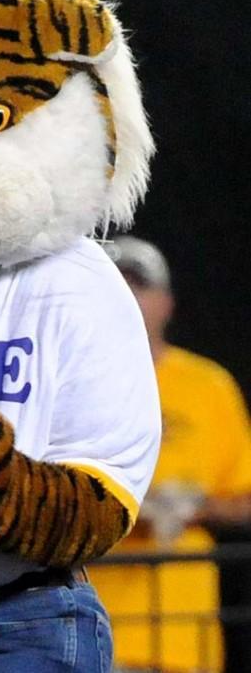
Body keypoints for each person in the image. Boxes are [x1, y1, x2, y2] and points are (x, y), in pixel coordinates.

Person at [88, 236, 251, 673]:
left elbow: (245, 498)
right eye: (113, 284)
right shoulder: (67, 380)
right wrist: (121, 508)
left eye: (139, 285)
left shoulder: (208, 385)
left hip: (181, 635)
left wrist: (192, 506)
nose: (128, 297)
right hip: (89, 632)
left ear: (166, 302)